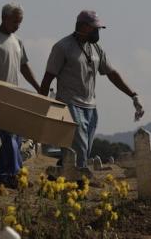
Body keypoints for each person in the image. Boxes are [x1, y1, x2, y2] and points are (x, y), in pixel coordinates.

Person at [39, 10, 144, 170]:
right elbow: (48, 78)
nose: (97, 31)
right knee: (80, 147)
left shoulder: (96, 48)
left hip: (90, 106)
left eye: (99, 28)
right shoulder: (62, 47)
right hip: (69, 104)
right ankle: (79, 181)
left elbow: (112, 73)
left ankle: (61, 171)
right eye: (94, 28)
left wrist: (133, 95)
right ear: (82, 26)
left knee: (85, 148)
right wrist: (41, 106)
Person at [0, 2, 41, 187]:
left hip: (15, 95)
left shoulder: (18, 41)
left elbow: (24, 66)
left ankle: (3, 175)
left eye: (19, 22)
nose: (17, 25)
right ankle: (15, 174)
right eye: (15, 21)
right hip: (0, 95)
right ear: (4, 18)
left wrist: (38, 87)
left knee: (15, 137)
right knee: (9, 136)